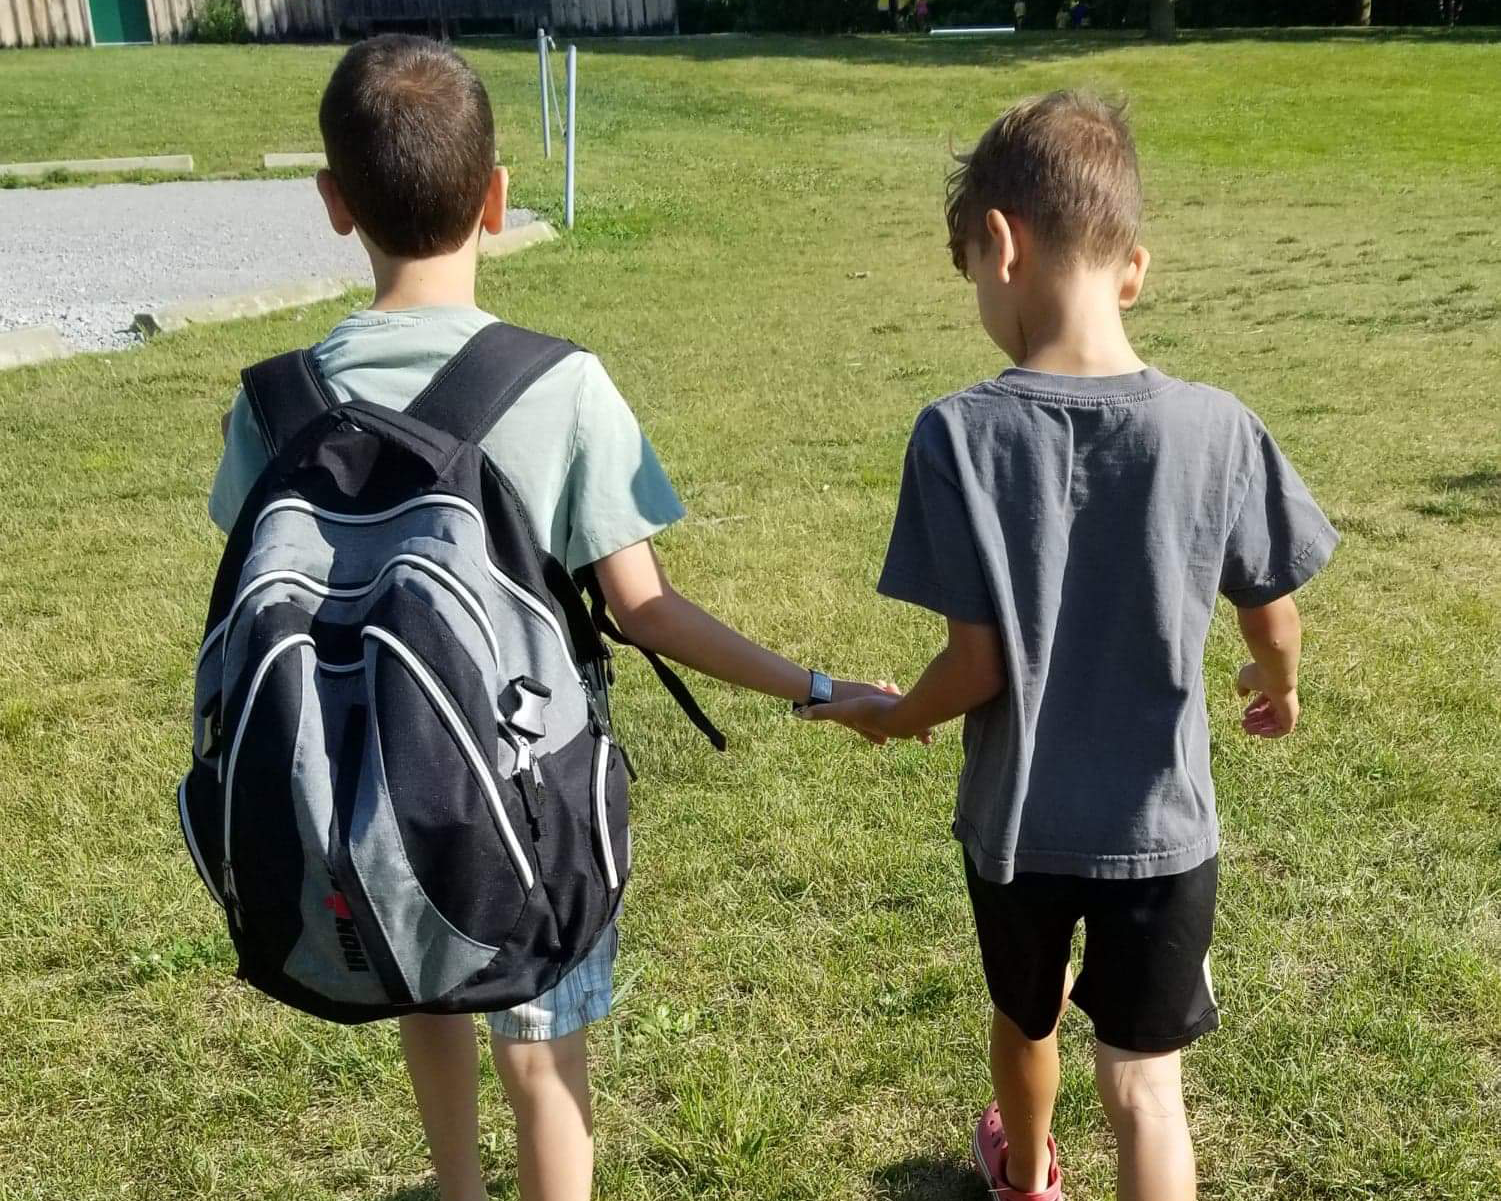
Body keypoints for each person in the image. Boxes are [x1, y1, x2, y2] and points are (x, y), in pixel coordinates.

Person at [209, 35, 903, 1201]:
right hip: (526, 797)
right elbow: (646, 608)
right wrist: (822, 690)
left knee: (420, 983)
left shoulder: (273, 401)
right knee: (545, 1046)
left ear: (333, 204)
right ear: (496, 197)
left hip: (356, 794)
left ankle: (456, 1186)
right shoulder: (556, 385)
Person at [807, 91, 1337, 1201]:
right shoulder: (1219, 427)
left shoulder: (956, 432)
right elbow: (1271, 612)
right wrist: (1274, 683)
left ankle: (1030, 1171)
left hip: (1018, 830)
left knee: (1024, 1014)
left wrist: (893, 714)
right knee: (1147, 1085)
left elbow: (977, 664)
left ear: (999, 243)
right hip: (1163, 829)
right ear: (1132, 267)